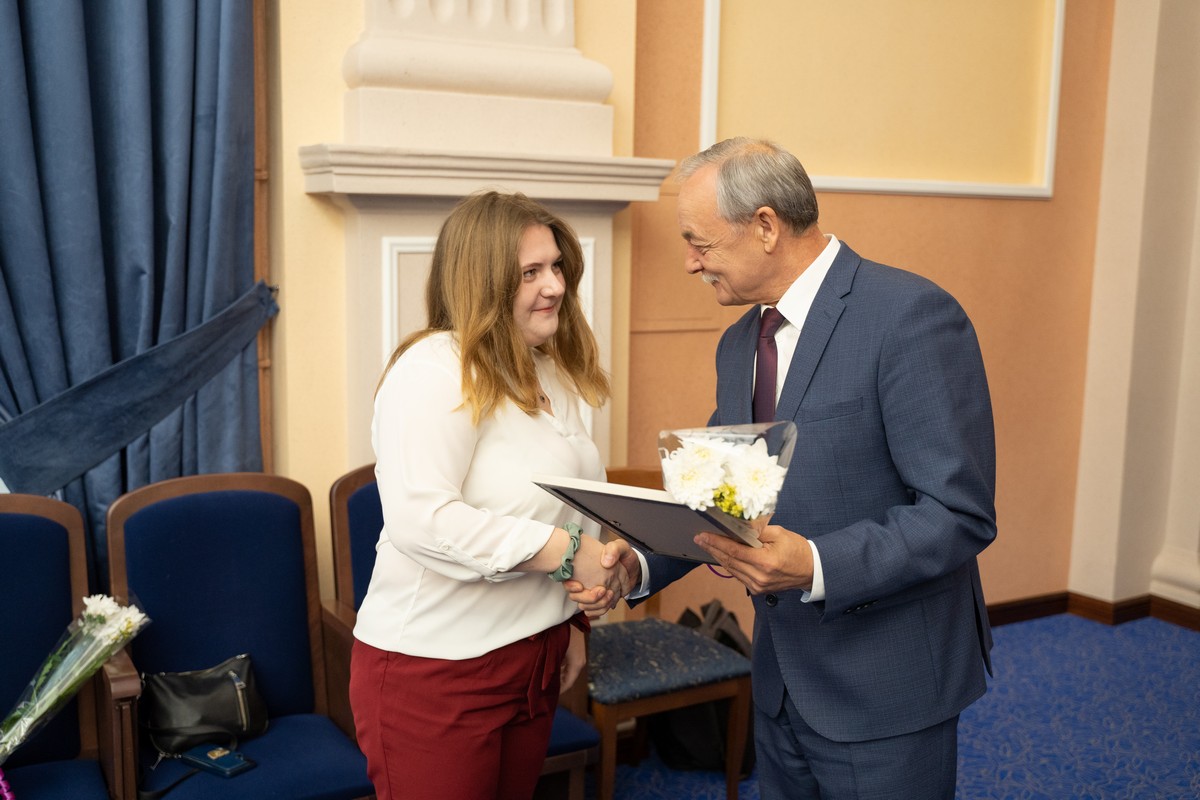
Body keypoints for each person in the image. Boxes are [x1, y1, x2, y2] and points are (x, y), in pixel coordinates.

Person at [573, 137, 997, 799]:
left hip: (886, 688)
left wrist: (816, 564)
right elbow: (721, 499)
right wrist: (640, 564)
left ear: (766, 226)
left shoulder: (909, 316)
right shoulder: (740, 343)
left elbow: (959, 514)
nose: (689, 263)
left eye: (700, 243)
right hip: (778, 678)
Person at [350, 190, 633, 800]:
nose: (554, 286)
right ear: (480, 281)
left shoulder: (546, 366)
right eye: (530, 272)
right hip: (436, 672)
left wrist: (573, 623)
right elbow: (422, 520)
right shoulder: (432, 371)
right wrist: (566, 553)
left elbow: (570, 503)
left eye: (556, 266)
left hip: (533, 660)